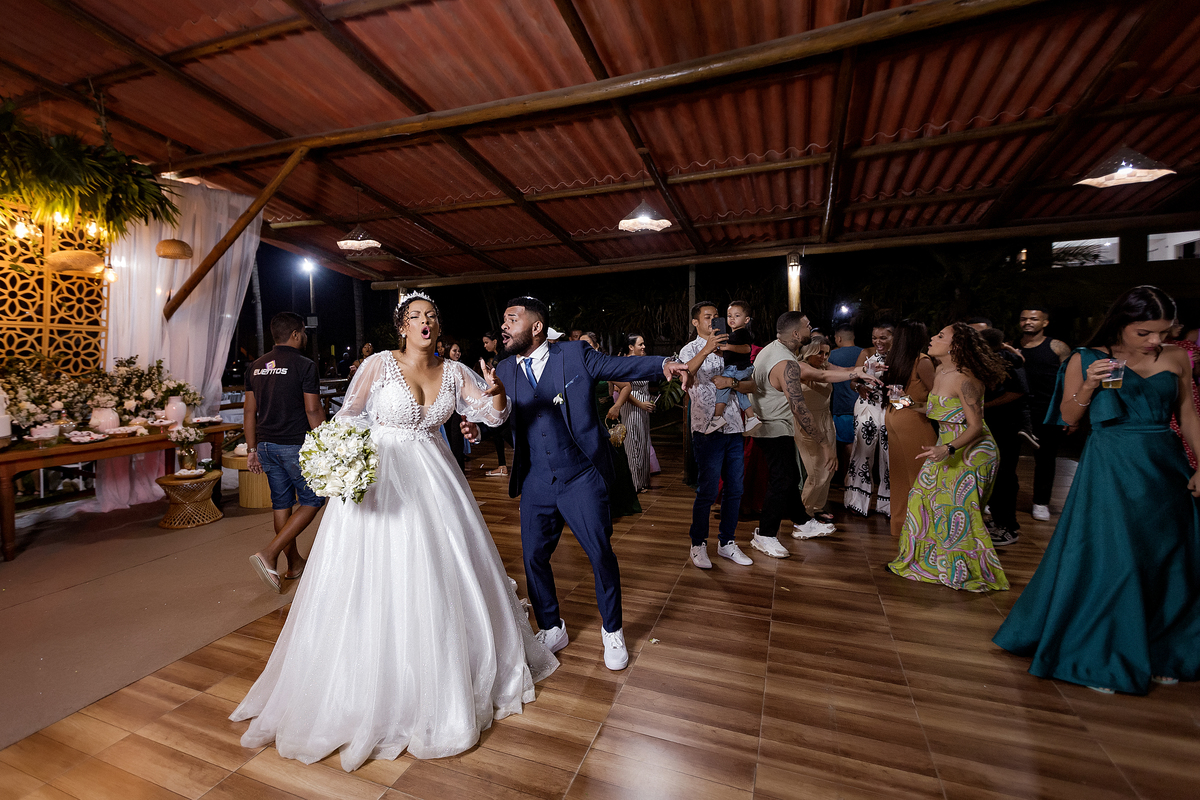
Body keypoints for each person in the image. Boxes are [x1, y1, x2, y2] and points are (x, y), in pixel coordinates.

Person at [231, 294, 558, 770]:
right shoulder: (378, 365)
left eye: (432, 317)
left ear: (438, 327)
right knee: (378, 575)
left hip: (436, 481)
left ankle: (441, 674)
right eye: (415, 317)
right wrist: (346, 457)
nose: (425, 322)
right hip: (382, 482)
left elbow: (490, 416)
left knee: (439, 571)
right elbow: (348, 416)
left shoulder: (455, 372)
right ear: (402, 327)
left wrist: (497, 395)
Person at [994, 285, 1200, 695]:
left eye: (1163, 331)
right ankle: (1101, 652)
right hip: (1111, 466)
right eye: (1145, 332)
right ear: (1122, 323)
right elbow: (1068, 417)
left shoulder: (1176, 357)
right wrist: (1089, 384)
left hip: (1164, 464)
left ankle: (1164, 647)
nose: (1155, 340)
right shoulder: (1086, 358)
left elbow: (1189, 414)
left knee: (1168, 558)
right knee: (1113, 558)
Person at [495, 296, 691, 670]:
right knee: (533, 558)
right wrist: (478, 428)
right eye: (503, 319)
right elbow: (500, 419)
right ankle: (551, 626)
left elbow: (620, 365)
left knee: (600, 554)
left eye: (512, 318)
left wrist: (662, 363)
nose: (504, 326)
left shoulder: (574, 355)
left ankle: (612, 629)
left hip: (580, 476)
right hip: (537, 480)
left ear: (536, 327)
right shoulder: (503, 369)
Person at [887, 323, 1010, 592]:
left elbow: (975, 426)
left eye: (941, 336)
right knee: (920, 497)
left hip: (971, 451)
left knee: (957, 512)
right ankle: (930, 563)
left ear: (955, 346)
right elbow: (934, 409)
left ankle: (962, 570)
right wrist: (903, 402)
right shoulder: (942, 371)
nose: (933, 337)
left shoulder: (966, 379)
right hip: (947, 447)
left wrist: (949, 448)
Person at [747, 312, 872, 557]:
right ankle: (765, 535)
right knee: (781, 480)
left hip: (771, 424)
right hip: (773, 427)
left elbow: (824, 374)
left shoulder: (772, 349)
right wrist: (825, 444)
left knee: (790, 475)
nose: (811, 327)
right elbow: (799, 408)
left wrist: (857, 372)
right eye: (807, 325)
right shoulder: (786, 363)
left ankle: (803, 521)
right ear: (796, 333)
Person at [245, 313, 327, 593]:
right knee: (314, 499)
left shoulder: (255, 367)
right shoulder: (305, 365)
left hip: (266, 446)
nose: (304, 337)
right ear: (295, 334)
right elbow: (313, 410)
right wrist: (326, 444)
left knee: (281, 504)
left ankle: (294, 564)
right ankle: (269, 554)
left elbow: (249, 412)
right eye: (303, 332)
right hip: (295, 445)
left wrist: (252, 449)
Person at [681, 302, 756, 569]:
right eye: (707, 317)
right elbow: (686, 374)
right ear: (695, 322)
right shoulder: (689, 349)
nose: (713, 321)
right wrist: (707, 348)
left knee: (735, 489)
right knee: (708, 490)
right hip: (706, 429)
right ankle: (698, 544)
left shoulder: (732, 345)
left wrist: (731, 382)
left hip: (734, 426)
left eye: (716, 317)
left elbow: (751, 384)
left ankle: (727, 542)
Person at [882, 320, 936, 538]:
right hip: (914, 421)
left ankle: (900, 525)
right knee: (922, 476)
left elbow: (895, 398)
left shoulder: (895, 359)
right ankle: (924, 529)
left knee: (900, 477)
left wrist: (904, 402)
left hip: (894, 416)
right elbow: (938, 398)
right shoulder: (922, 361)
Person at [1018, 307, 1070, 521]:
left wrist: (1066, 411)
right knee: (1006, 456)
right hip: (1016, 408)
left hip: (1046, 410)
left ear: (1045, 322)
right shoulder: (1012, 346)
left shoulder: (1057, 346)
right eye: (1024, 319)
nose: (1028, 322)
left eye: (1033, 318)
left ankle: (1041, 502)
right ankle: (999, 499)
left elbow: (1069, 379)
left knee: (1046, 458)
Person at [980, 327, 1029, 547]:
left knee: (1004, 476)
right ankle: (998, 520)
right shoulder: (1001, 358)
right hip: (993, 425)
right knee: (994, 475)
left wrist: (985, 406)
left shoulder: (1009, 362)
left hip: (1007, 426)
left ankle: (1008, 527)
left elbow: (1017, 391)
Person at [845, 322, 895, 516]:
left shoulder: (899, 356)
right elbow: (853, 382)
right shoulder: (866, 353)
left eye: (883, 337)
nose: (878, 342)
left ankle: (888, 504)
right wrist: (860, 387)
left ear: (894, 338)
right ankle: (857, 501)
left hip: (890, 407)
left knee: (889, 453)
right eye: (875, 337)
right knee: (862, 450)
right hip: (867, 405)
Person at [795, 336, 837, 523]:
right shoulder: (800, 367)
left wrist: (864, 371)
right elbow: (824, 378)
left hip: (826, 419)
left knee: (830, 468)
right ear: (809, 351)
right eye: (819, 352)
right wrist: (856, 373)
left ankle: (817, 507)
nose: (823, 357)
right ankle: (804, 514)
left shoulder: (824, 366)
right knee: (817, 471)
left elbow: (844, 371)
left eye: (826, 353)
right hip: (807, 422)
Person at [608, 334, 656, 492]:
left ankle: (643, 482)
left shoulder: (642, 361)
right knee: (633, 443)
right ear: (630, 347)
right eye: (640, 344)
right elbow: (621, 389)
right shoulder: (625, 364)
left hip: (644, 408)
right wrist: (640, 404)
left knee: (643, 442)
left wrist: (649, 402)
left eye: (643, 344)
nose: (643, 347)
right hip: (632, 407)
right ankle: (634, 485)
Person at [708, 300, 760, 433]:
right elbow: (728, 353)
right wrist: (719, 352)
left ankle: (717, 417)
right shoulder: (732, 335)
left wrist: (727, 346)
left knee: (722, 387)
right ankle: (751, 417)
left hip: (736, 368)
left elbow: (747, 349)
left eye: (737, 316)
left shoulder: (742, 333)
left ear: (746, 320)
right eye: (729, 315)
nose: (732, 318)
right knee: (740, 392)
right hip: (739, 368)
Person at [828, 325, 862, 483]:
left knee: (847, 445)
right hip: (863, 407)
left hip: (843, 408)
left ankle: (850, 479)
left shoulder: (832, 355)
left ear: (839, 338)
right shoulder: (865, 353)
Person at [481, 331, 510, 477]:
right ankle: (502, 465)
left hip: (507, 398)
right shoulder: (500, 357)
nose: (485, 346)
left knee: (501, 429)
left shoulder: (503, 357)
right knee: (498, 429)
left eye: (487, 342)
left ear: (495, 341)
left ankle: (505, 465)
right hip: (503, 397)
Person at [443, 340, 468, 472]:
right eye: (454, 351)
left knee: (456, 437)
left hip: (458, 408)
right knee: (448, 439)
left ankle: (460, 470)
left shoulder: (460, 367)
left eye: (459, 351)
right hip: (445, 408)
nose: (457, 353)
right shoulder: (441, 366)